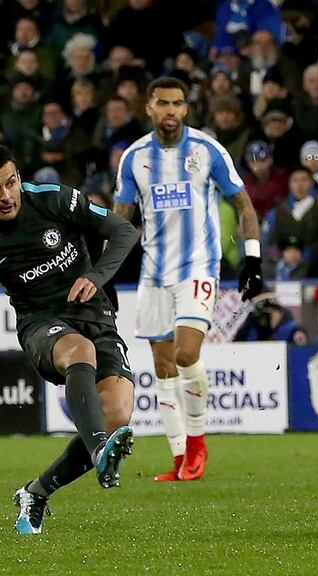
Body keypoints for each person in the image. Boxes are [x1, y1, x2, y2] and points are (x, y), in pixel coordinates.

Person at [113, 77, 264, 483]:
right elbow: (121, 218)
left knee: (185, 353)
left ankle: (198, 443)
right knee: (162, 367)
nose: (171, 111)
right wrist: (102, 268)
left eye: (177, 104)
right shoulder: (134, 158)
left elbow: (243, 203)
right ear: (148, 107)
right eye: (163, 103)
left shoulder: (207, 149)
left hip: (199, 265)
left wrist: (253, 259)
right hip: (154, 271)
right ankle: (181, 457)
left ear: (186, 107)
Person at [0, 145, 137, 534]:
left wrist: (96, 277)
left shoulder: (53, 199)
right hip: (41, 324)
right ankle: (99, 452)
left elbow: (124, 231)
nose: (6, 196)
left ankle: (36, 493)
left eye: (10, 183)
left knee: (117, 415)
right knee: (81, 350)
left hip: (95, 313)